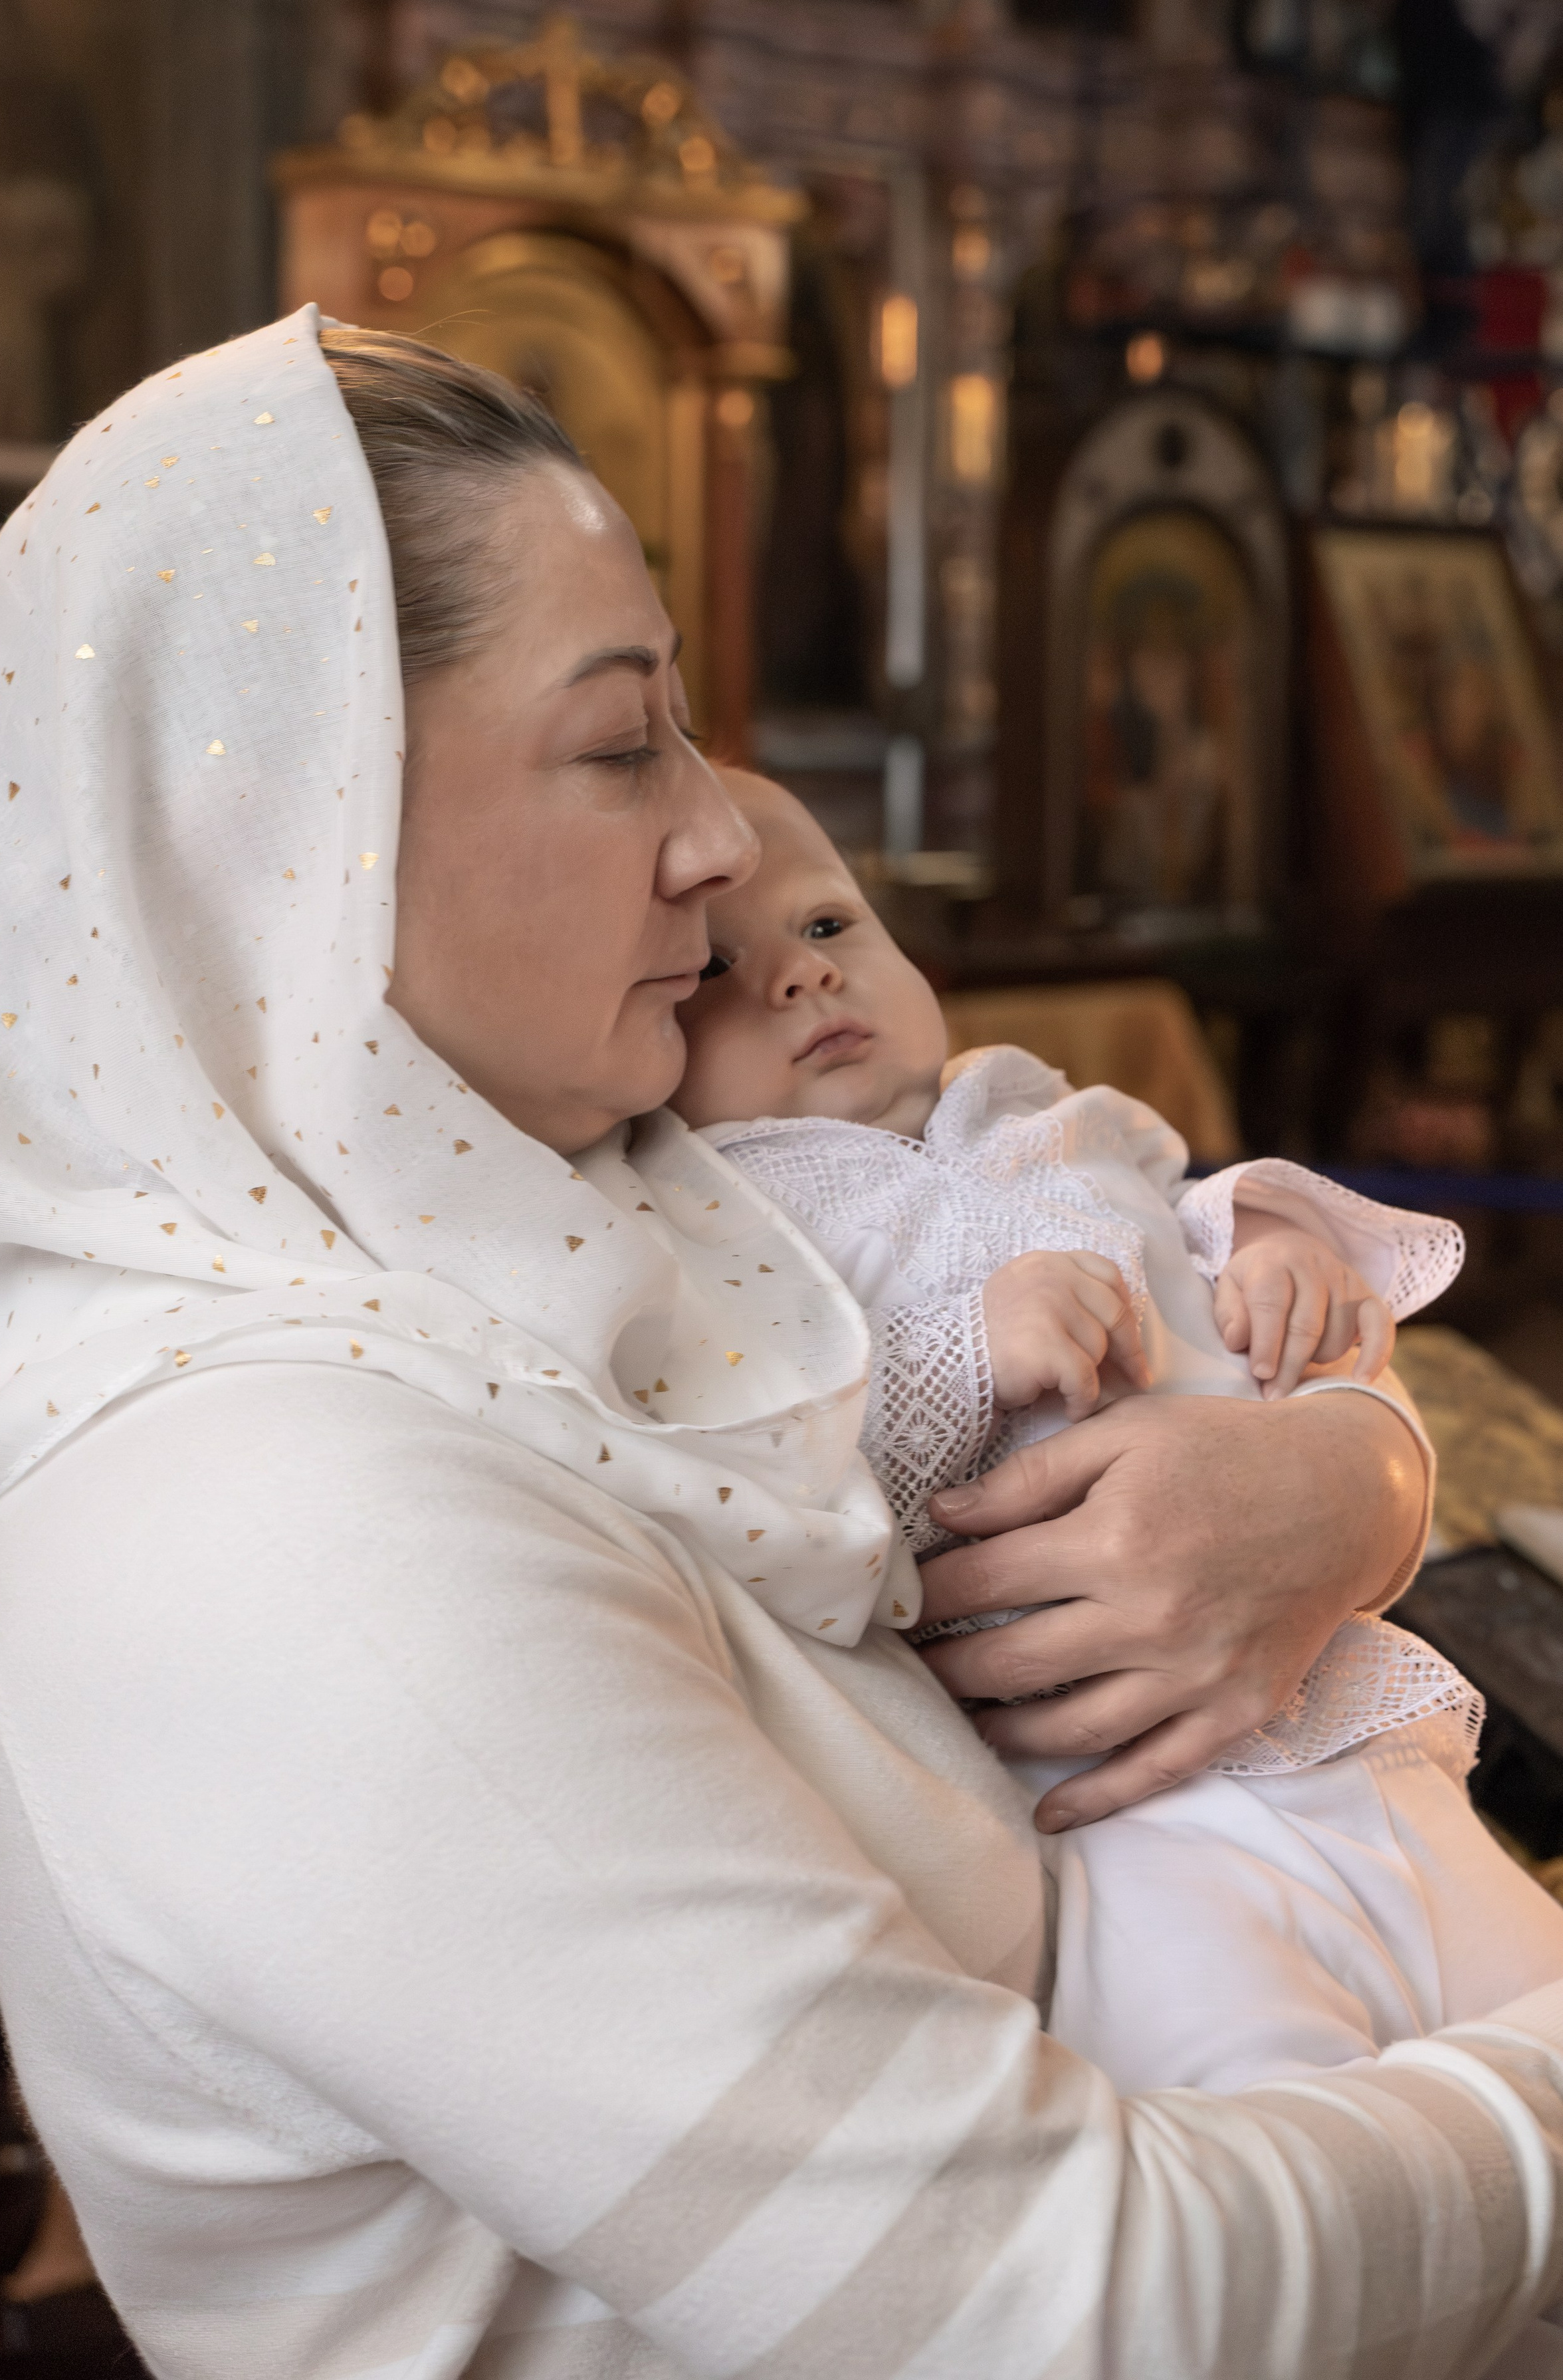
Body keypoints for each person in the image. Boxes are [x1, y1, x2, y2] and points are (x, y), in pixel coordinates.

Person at [0, 315, 1563, 2379]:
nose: (717, 841)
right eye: (621, 745)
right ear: (308, 836)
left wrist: (1341, 1485)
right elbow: (1078, 2311)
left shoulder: (563, 1247)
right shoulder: (264, 1528)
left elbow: (1112, 1287)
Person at [670, 767, 1563, 2096]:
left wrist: (1272, 1240)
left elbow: (1185, 1202)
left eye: (825, 926)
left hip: (1339, 1717)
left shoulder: (1045, 1109)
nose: (799, 980)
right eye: (716, 973)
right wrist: (974, 1344)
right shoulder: (722, 1223)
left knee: (1523, 2009)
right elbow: (798, 1492)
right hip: (1121, 1814)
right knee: (1271, 2123)